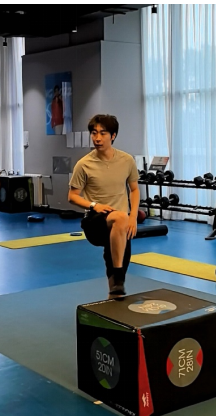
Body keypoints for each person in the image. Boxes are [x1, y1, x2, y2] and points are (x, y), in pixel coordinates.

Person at [68, 114, 140, 297]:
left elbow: (134, 190)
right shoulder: (83, 164)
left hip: (121, 224)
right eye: (94, 133)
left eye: (102, 133)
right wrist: (94, 205)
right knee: (120, 217)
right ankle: (118, 277)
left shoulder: (127, 160)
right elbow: (72, 196)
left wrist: (133, 217)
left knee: (118, 268)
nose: (97, 138)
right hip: (94, 221)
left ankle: (114, 294)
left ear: (113, 136)